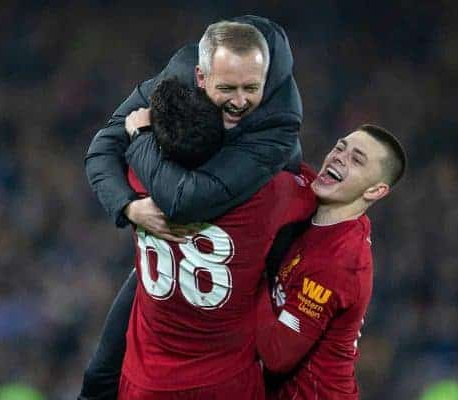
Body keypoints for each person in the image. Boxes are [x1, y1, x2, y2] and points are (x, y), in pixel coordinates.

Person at [81, 15, 304, 399]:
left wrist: (142, 138)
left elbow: (185, 201)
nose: (239, 101)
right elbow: (102, 148)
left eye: (252, 87)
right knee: (101, 377)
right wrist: (129, 207)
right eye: (227, 88)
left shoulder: (279, 123)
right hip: (176, 261)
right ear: (200, 78)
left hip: (251, 260)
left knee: (277, 370)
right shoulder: (176, 79)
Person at [120, 82, 317, 398]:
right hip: (226, 380)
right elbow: (315, 190)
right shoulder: (270, 193)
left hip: (148, 381)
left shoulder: (137, 177)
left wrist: (139, 133)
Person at [256, 125, 407, 399]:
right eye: (340, 147)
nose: (339, 157)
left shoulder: (340, 261)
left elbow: (277, 354)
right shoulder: (317, 203)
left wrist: (250, 272)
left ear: (375, 190)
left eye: (357, 159)